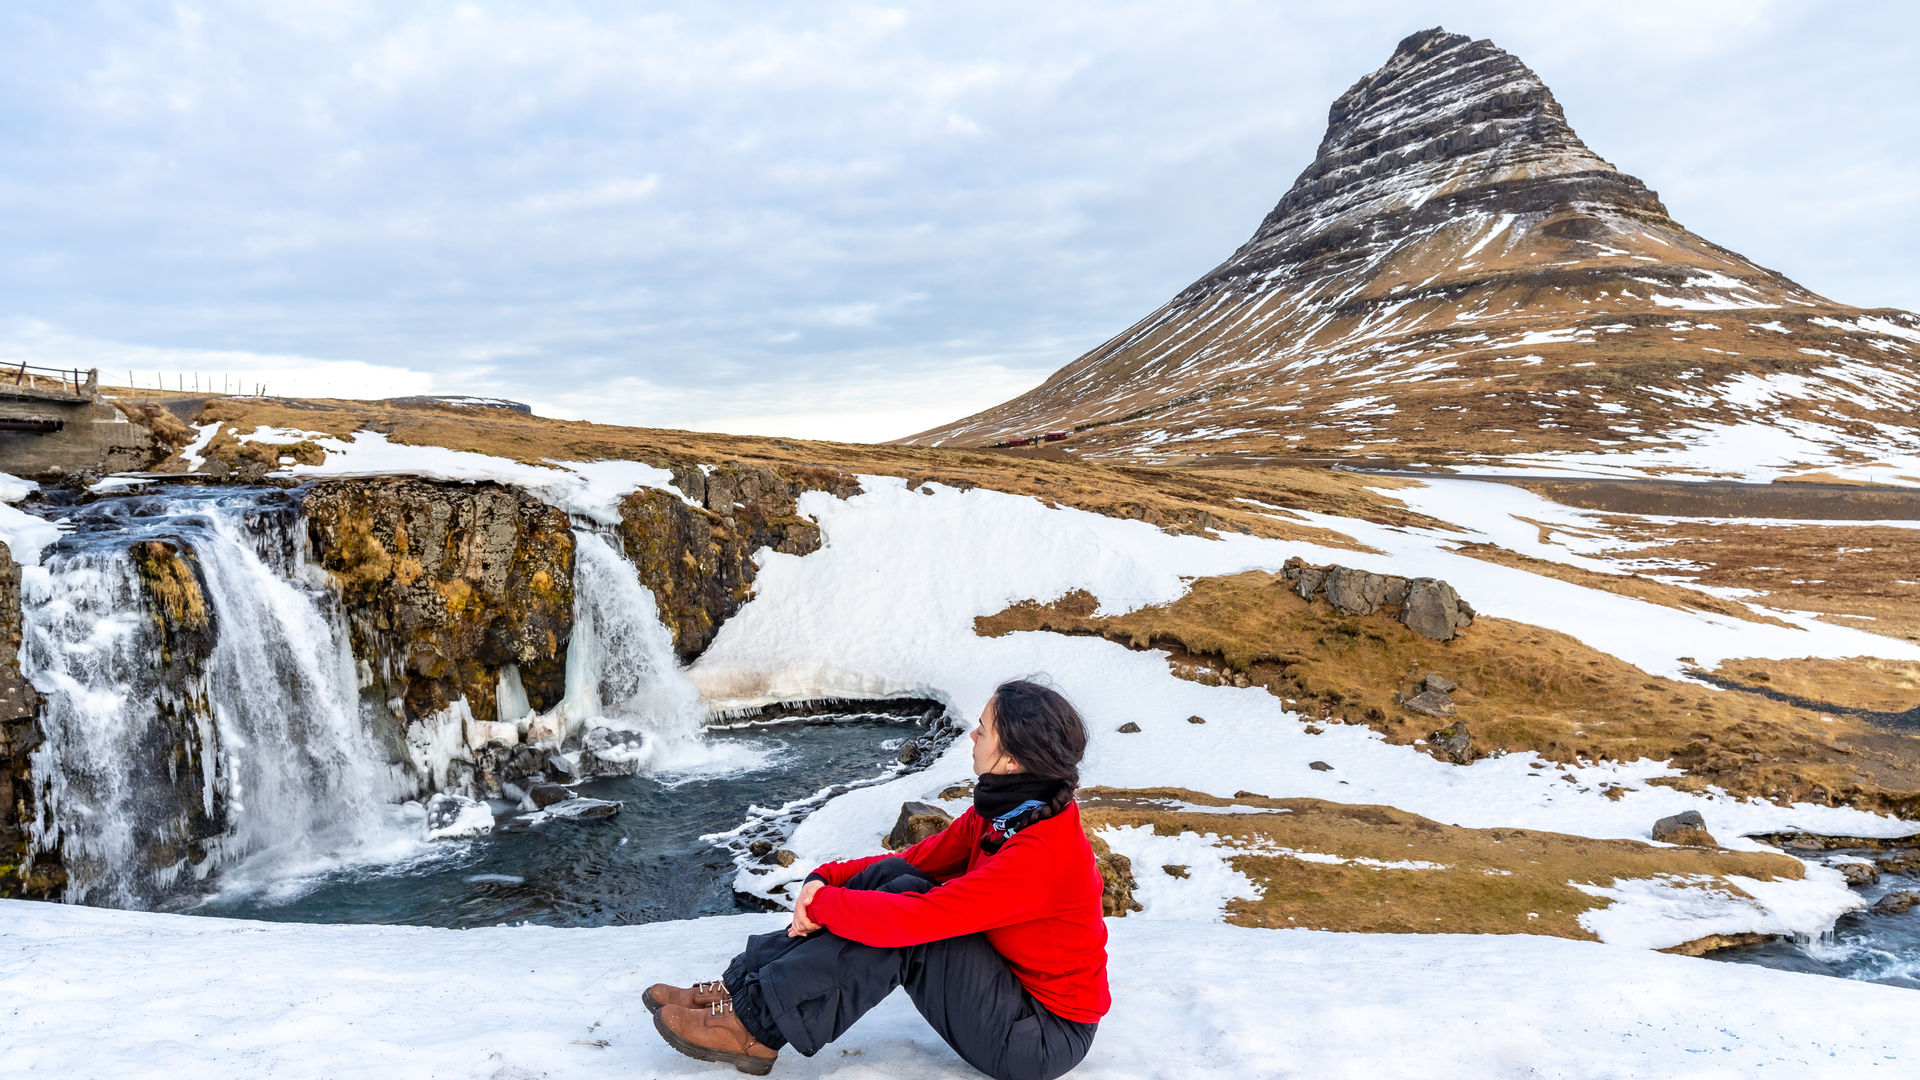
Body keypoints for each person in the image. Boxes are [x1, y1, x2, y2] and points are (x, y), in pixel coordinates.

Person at [646, 678, 1109, 1079]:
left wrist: (824, 905)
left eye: (983, 730)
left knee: (911, 927)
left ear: (1010, 760)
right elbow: (917, 861)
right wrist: (824, 880)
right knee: (899, 876)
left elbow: (921, 918)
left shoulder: (1040, 854)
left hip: (1039, 1037)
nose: (972, 735)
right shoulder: (1008, 813)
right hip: (1011, 992)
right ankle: (746, 986)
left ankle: (756, 1027)